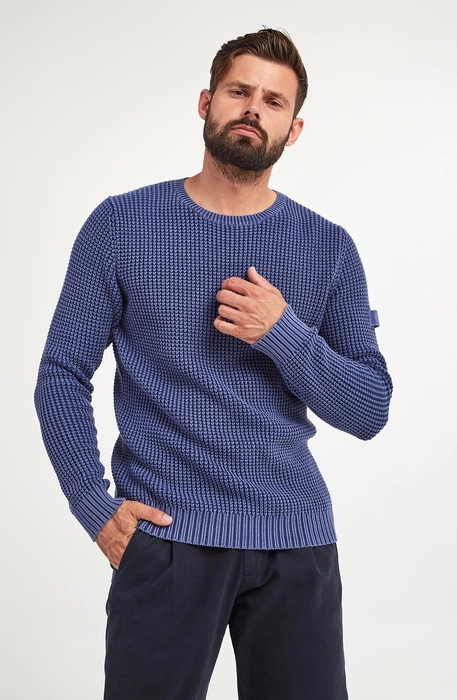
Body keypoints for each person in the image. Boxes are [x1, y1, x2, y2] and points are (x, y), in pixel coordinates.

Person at [34, 27, 392, 700]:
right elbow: (60, 375)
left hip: (295, 540)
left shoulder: (329, 248)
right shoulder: (121, 226)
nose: (253, 109)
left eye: (273, 101)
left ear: (294, 129)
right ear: (206, 102)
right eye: (238, 92)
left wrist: (282, 333)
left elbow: (370, 408)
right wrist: (93, 506)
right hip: (166, 539)